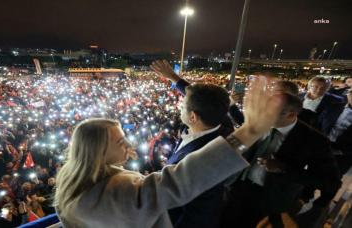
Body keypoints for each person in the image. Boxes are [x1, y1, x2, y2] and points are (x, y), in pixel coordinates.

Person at [54, 76, 284, 227]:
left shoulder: (71, 181)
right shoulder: (121, 190)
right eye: (120, 141)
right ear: (99, 150)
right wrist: (248, 132)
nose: (128, 144)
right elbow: (180, 180)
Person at [221, 92, 341, 228]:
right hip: (235, 186)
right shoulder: (258, 122)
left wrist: (284, 169)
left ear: (290, 114)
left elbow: (332, 182)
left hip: (267, 197)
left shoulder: (313, 140)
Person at [151, 60, 233, 227]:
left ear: (193, 117)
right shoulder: (221, 121)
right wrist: (173, 77)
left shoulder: (203, 159)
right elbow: (204, 98)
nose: (180, 106)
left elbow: (197, 214)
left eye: (183, 106)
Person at [328, 89, 352, 174]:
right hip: (324, 144)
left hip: (342, 155)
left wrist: (340, 152)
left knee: (330, 181)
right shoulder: (335, 106)